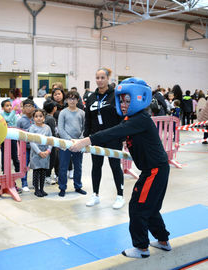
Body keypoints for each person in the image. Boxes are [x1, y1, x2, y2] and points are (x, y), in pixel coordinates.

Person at [70, 77, 171, 259]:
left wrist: (84, 142)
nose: (123, 105)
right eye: (121, 100)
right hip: (155, 169)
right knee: (150, 208)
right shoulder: (133, 118)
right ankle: (163, 241)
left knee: (138, 207)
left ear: (139, 99)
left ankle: (141, 248)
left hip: (154, 171)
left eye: (128, 101)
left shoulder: (140, 119)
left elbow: (113, 132)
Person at [84, 67, 124, 209]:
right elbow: (88, 119)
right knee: (96, 166)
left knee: (115, 166)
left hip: (113, 137)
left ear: (108, 79)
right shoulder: (91, 97)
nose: (99, 80)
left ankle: (120, 196)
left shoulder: (116, 96)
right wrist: (86, 137)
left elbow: (122, 117)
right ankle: (95, 194)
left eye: (102, 78)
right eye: (97, 78)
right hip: (96, 138)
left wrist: (122, 134)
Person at [57, 90, 87, 197]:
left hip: (79, 144)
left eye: (74, 98)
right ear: (66, 100)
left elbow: (85, 128)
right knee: (63, 166)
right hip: (65, 143)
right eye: (70, 98)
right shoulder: (63, 112)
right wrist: (70, 140)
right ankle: (62, 187)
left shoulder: (82, 113)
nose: (72, 100)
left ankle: (78, 186)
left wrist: (80, 140)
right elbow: (60, 129)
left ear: (78, 100)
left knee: (78, 166)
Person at [29, 109, 52, 197]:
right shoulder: (32, 128)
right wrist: (39, 152)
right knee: (36, 171)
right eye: (36, 116)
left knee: (43, 171)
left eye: (40, 116)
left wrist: (48, 151)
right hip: (36, 153)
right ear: (33, 118)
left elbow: (51, 140)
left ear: (44, 117)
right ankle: (36, 189)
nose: (38, 118)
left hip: (46, 153)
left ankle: (42, 189)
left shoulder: (47, 128)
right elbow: (31, 141)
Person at [0, 99, 21, 193]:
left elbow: (15, 124)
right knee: (4, 157)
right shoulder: (1, 115)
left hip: (13, 138)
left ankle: (18, 171)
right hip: (4, 139)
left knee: (15, 155)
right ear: (3, 107)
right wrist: (14, 111)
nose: (9, 107)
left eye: (10, 105)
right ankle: (4, 173)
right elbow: (7, 120)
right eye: (7, 106)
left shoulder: (14, 114)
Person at [16, 99, 35, 191]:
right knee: (24, 165)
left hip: (36, 147)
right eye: (26, 106)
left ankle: (36, 182)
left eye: (30, 106)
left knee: (36, 165)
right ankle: (24, 183)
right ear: (22, 108)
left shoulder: (36, 118)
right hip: (25, 148)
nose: (28, 108)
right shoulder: (20, 121)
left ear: (33, 107)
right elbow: (18, 135)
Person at [43, 100, 58, 185]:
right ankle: (47, 176)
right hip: (51, 143)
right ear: (54, 108)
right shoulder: (51, 119)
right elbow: (53, 132)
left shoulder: (46, 117)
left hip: (46, 142)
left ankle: (47, 176)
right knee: (52, 160)